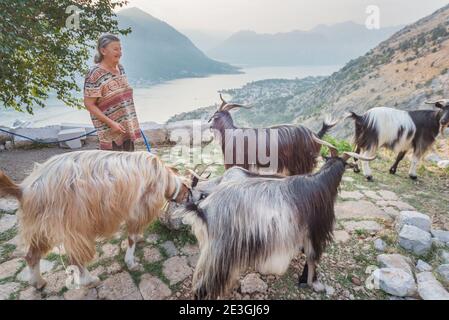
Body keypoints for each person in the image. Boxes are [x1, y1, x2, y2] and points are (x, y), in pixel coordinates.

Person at [83, 34, 141, 151]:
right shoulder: (95, 74)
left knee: (128, 166)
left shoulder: (121, 68)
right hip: (111, 132)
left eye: (120, 49)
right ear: (103, 51)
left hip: (127, 128)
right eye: (115, 49)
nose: (119, 52)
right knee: (112, 167)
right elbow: (89, 104)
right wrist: (111, 124)